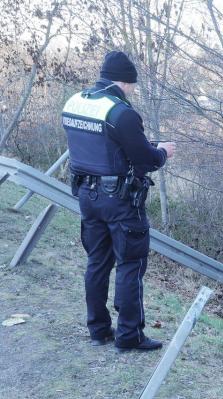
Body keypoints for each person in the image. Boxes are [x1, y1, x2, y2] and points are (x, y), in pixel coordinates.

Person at [60, 51, 176, 351]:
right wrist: (162, 151)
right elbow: (145, 160)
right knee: (130, 264)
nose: (133, 91)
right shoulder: (121, 112)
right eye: (133, 86)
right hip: (120, 201)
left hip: (86, 194)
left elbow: (103, 146)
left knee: (97, 262)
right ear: (126, 82)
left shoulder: (74, 103)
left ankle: (98, 329)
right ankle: (129, 335)